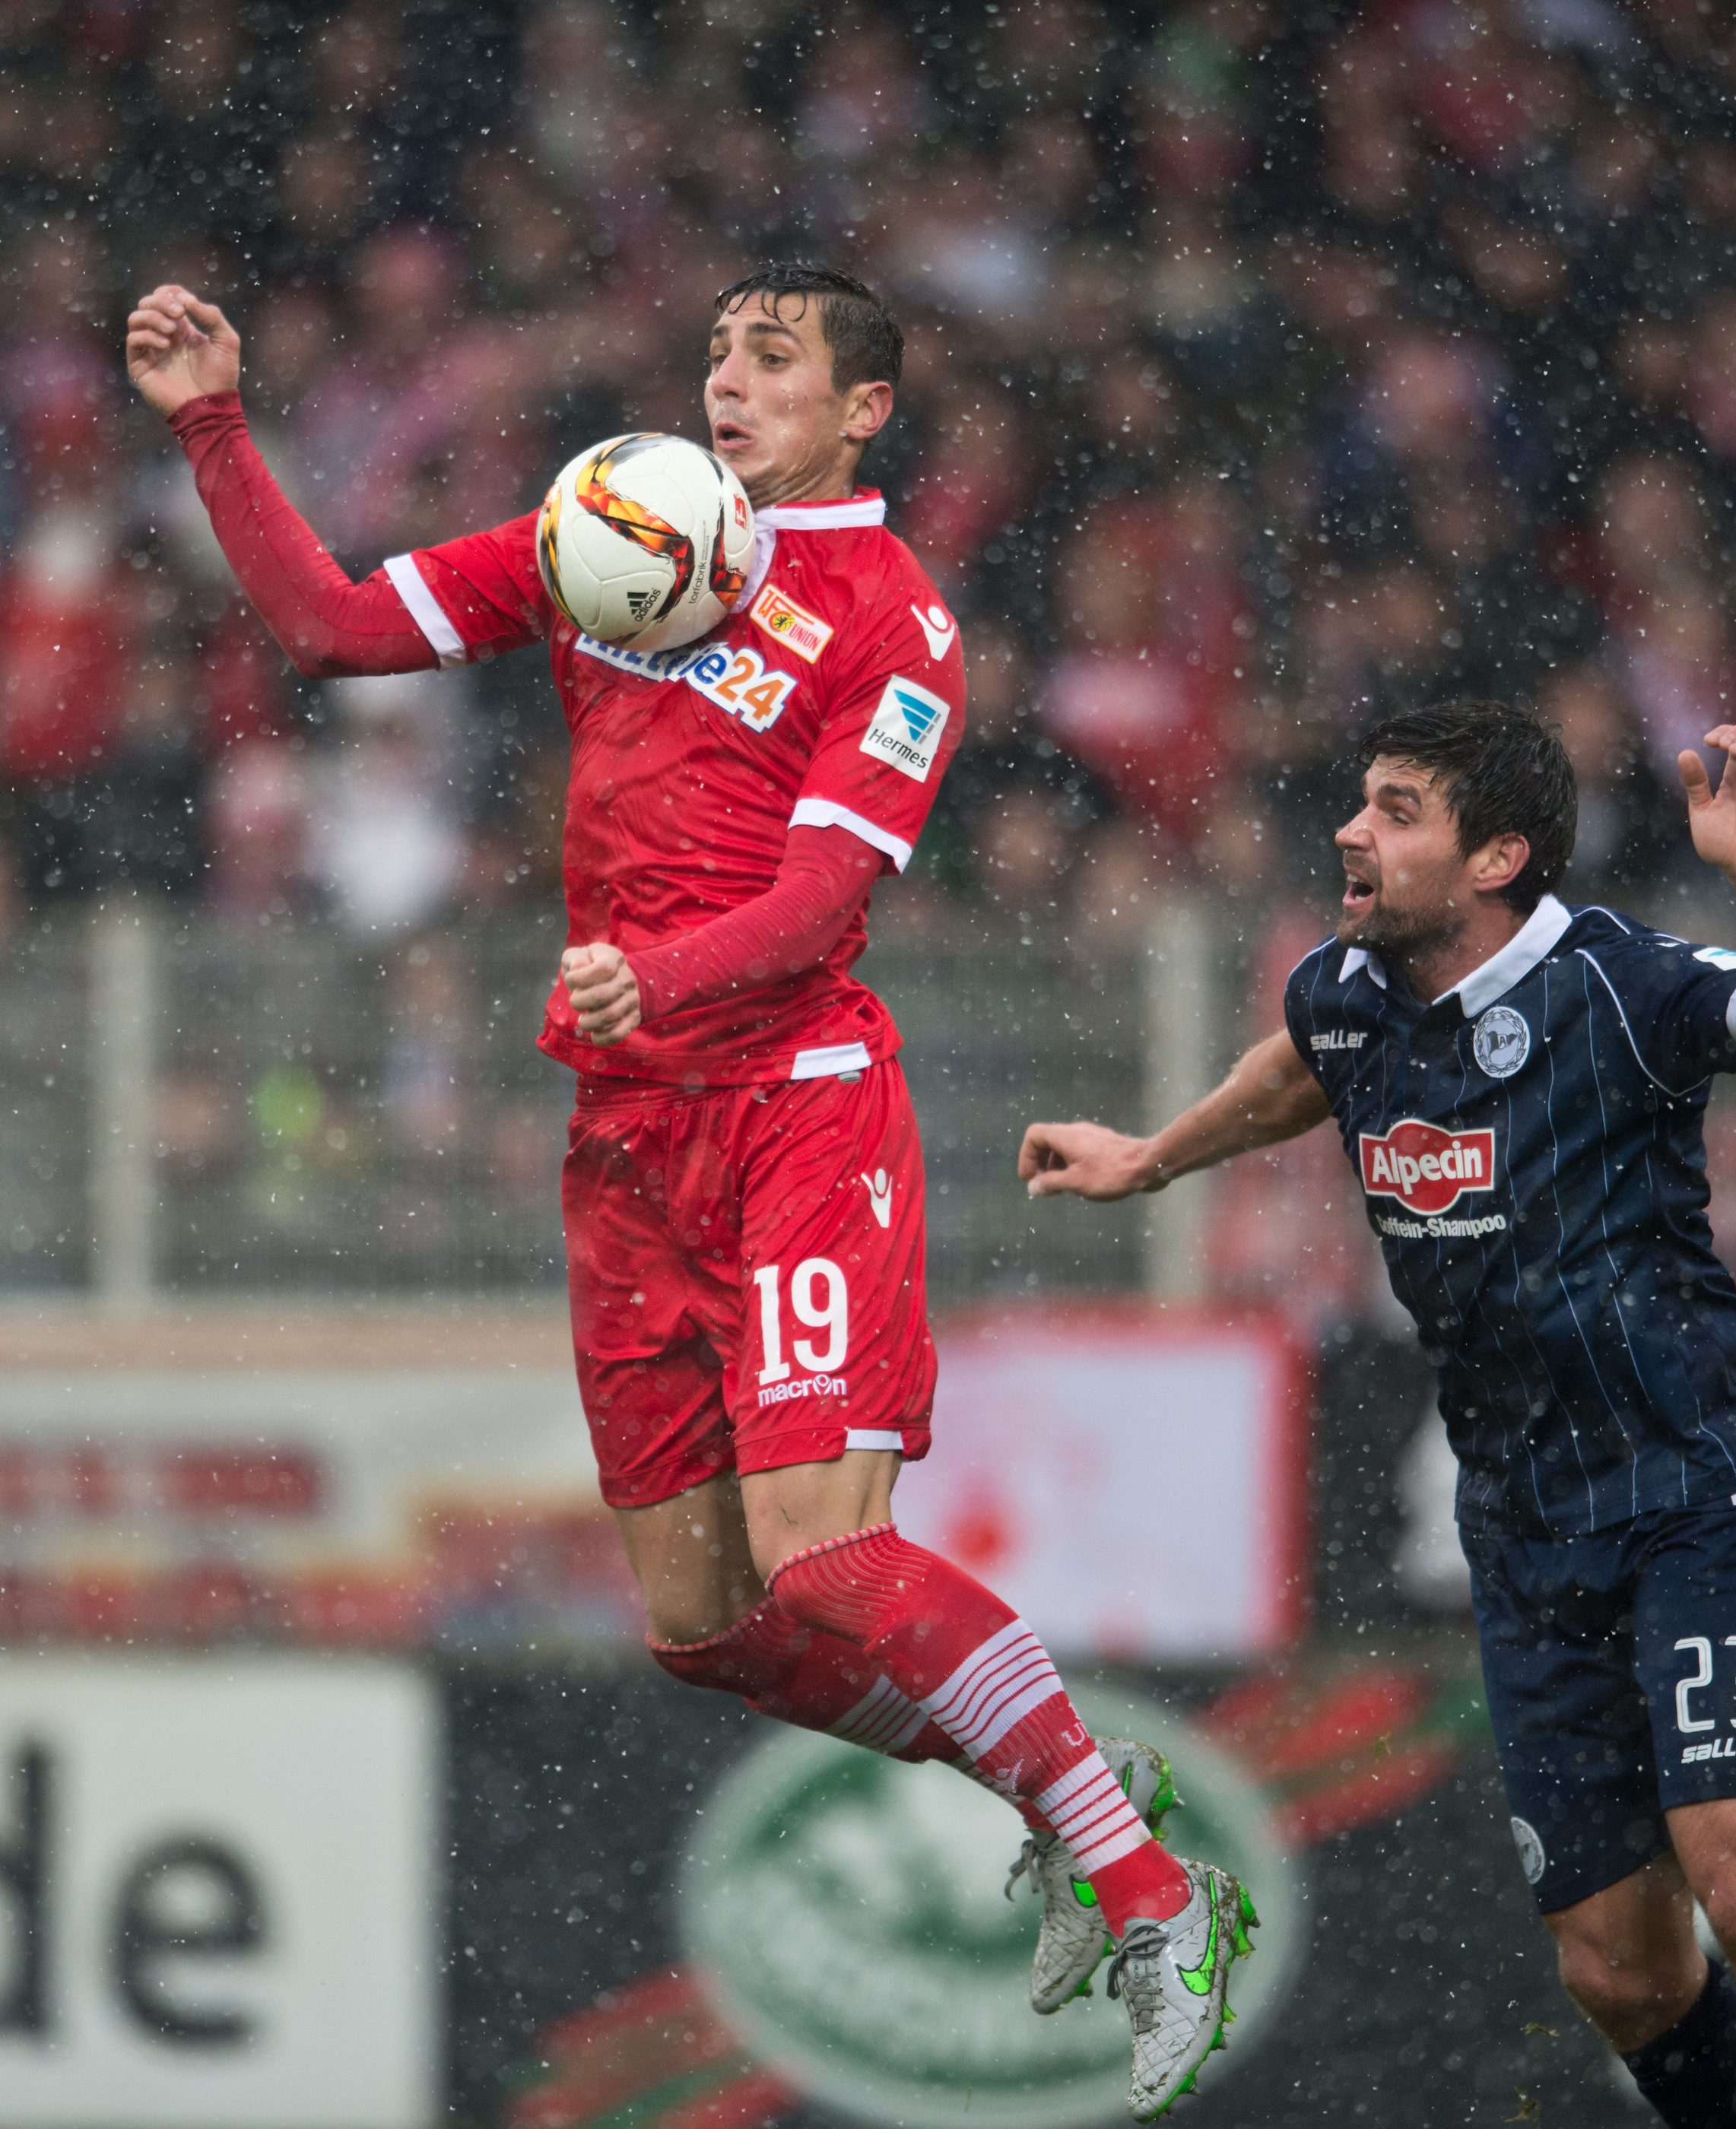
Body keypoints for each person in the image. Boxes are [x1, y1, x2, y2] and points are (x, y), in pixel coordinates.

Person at [126, 262, 1252, 2121]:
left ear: (864, 407)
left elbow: (821, 902)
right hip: (626, 1139)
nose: (729, 377)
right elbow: (327, 628)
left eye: (775, 354)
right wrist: (212, 423)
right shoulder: (613, 525)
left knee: (838, 1551)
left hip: (794, 1111)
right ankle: (1074, 1805)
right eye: (720, 344)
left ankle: (1148, 1886)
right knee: (708, 1625)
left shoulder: (896, 619)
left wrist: (671, 967)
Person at [1020, 699, 1736, 2127]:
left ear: (1497, 858)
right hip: (1523, 1523)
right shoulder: (1347, 987)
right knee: (1616, 1971)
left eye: (1393, 810)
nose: (1349, 831)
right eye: (1360, 801)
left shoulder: (1627, 985)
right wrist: (1152, 1160)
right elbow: (1299, 1070)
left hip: (1693, 1485)